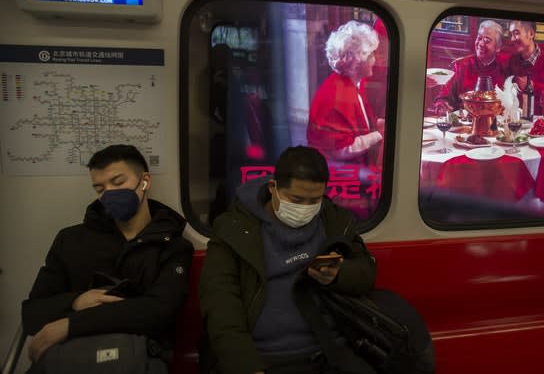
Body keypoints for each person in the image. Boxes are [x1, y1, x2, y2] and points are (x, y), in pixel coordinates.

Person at [199, 146, 377, 374]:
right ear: (273, 188)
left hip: (329, 350)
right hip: (264, 357)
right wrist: (247, 367)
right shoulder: (234, 231)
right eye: (296, 199)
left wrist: (339, 274)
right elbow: (221, 308)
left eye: (314, 200)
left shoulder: (333, 220)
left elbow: (367, 271)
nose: (305, 209)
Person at [22, 144, 193, 372]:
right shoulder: (70, 240)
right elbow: (32, 313)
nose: (109, 194)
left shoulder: (173, 246)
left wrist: (70, 324)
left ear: (145, 181)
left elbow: (158, 311)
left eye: (119, 183)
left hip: (137, 358)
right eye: (100, 188)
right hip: (74, 359)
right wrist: (76, 301)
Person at [307, 20, 384, 168]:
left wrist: (383, 124)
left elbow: (361, 123)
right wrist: (379, 135)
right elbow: (340, 149)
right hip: (337, 170)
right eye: (370, 56)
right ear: (356, 62)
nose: (375, 59)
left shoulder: (351, 83)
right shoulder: (338, 95)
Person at [434, 19, 508, 112]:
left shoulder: (505, 68)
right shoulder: (461, 65)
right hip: (463, 123)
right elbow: (443, 97)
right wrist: (442, 105)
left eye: (487, 40)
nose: (481, 44)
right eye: (479, 38)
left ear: (498, 47)